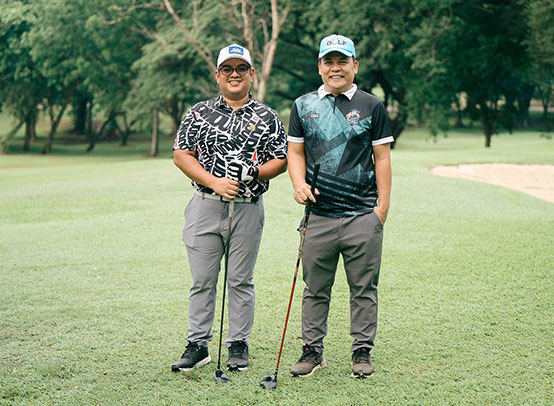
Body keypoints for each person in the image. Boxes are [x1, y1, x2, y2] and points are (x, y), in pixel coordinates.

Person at [171, 44, 287, 373]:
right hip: (205, 205)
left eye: (241, 68)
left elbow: (281, 160)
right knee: (203, 280)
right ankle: (198, 345)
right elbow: (181, 154)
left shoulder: (268, 117)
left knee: (240, 280)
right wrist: (215, 182)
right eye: (227, 69)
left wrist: (254, 172)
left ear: (252, 73)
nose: (234, 74)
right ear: (217, 75)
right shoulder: (199, 113)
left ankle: (238, 344)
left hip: (248, 208)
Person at [287, 34, 393, 378]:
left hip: (362, 214)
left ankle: (361, 351)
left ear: (354, 66)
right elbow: (295, 152)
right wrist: (298, 184)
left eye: (342, 61)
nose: (336, 68)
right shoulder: (303, 105)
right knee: (315, 289)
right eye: (329, 61)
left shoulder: (372, 106)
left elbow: (382, 158)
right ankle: (312, 351)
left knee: (363, 288)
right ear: (319, 66)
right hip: (318, 216)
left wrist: (381, 210)